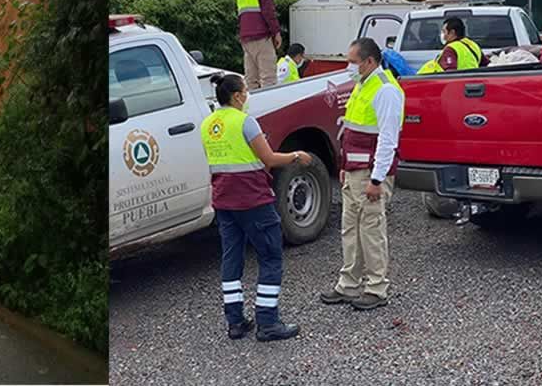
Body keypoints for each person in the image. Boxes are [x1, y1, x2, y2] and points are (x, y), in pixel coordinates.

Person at [200, 74, 312, 341]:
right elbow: (269, 159)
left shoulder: (207, 124)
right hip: (252, 199)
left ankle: (236, 322)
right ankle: (268, 322)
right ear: (237, 96)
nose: (248, 95)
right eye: (246, 91)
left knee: (231, 258)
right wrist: (298, 155)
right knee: (271, 257)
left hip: (224, 200)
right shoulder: (245, 122)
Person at [320, 38, 404, 310]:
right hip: (355, 171)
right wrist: (344, 167)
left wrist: (377, 179)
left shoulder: (385, 90)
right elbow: (352, 133)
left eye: (353, 62)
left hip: (370, 174)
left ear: (369, 61)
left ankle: (376, 288)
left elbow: (388, 140)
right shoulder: (362, 85)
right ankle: (349, 284)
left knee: (370, 230)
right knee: (351, 229)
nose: (349, 66)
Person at [235, 0, 281, 90]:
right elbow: (269, 11)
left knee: (251, 79)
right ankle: (270, 106)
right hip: (261, 36)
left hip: (246, 38)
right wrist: (276, 33)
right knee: (269, 78)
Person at [417, 17, 487, 74]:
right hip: (470, 83)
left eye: (444, 31)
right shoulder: (472, 44)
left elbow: (450, 74)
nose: (442, 35)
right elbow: (485, 65)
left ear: (452, 33)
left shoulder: (451, 49)